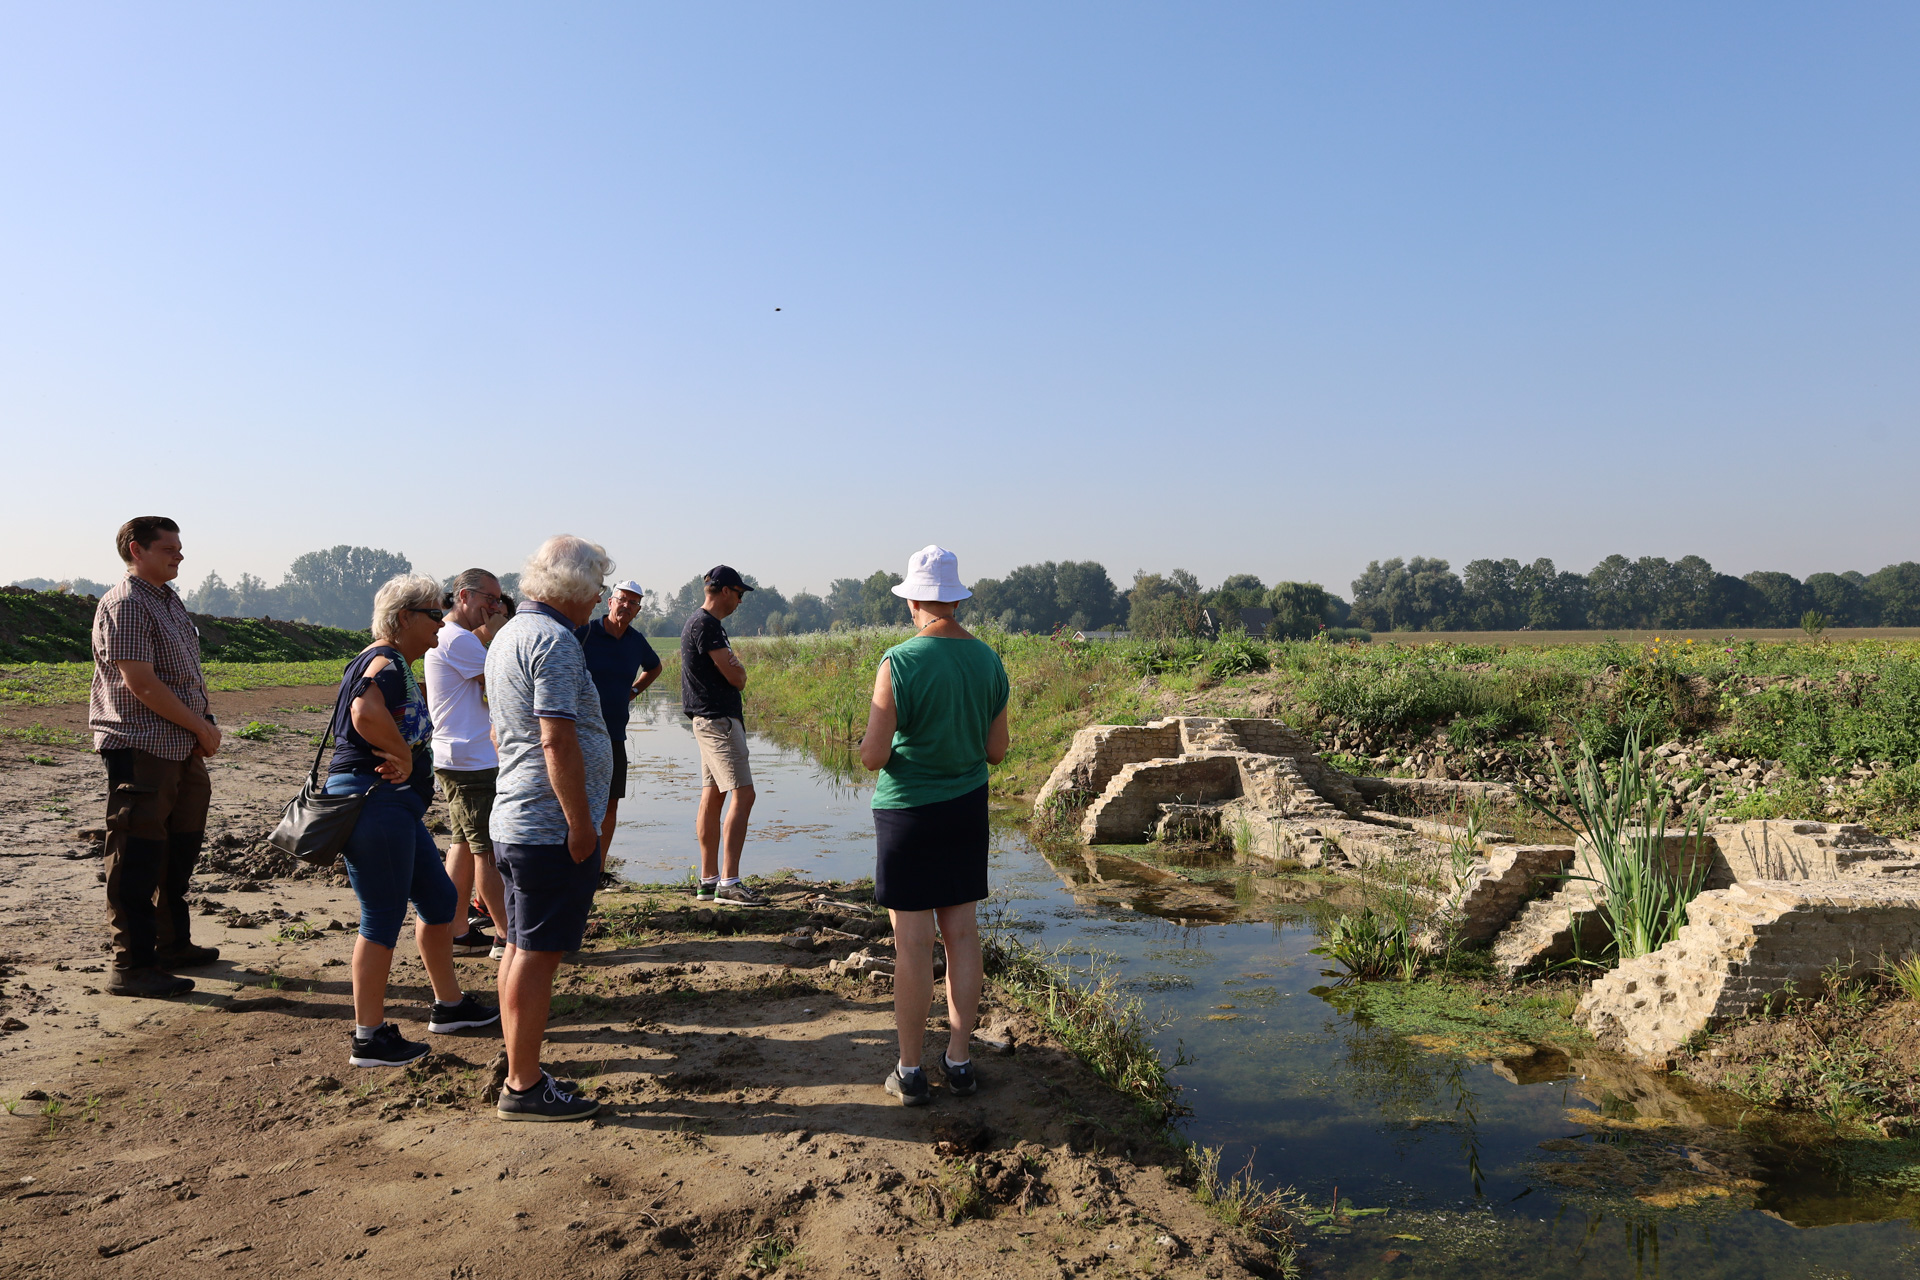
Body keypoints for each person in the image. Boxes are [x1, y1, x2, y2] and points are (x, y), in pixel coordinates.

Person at [324, 575, 499, 1067]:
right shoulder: (387, 662)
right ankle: (369, 1037)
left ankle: (450, 1007)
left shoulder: (387, 658)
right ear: (404, 619)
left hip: (391, 807)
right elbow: (363, 710)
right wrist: (401, 752)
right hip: (375, 805)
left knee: (441, 898)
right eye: (433, 612)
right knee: (380, 917)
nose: (441, 620)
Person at [858, 546, 1009, 1106]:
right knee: (963, 936)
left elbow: (874, 756)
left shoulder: (898, 662)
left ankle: (910, 1071)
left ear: (916, 600)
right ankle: (961, 1061)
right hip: (966, 809)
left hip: (908, 814)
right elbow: (996, 752)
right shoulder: (990, 661)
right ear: (957, 599)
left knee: (912, 945)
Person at [486, 535, 615, 1122]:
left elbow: (500, 732)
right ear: (577, 588)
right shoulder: (554, 642)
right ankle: (524, 1085)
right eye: (596, 590)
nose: (598, 602)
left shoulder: (508, 634)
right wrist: (581, 825)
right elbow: (555, 737)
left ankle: (518, 1066)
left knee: (518, 946)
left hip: (515, 816)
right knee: (538, 955)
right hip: (546, 827)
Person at [89, 517, 221, 998]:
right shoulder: (125, 604)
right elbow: (140, 683)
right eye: (169, 548)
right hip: (142, 746)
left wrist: (199, 727)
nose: (179, 555)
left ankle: (171, 944)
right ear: (135, 549)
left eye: (180, 548)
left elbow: (182, 676)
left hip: (180, 747)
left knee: (178, 848)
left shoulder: (166, 600)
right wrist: (201, 726)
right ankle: (133, 965)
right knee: (137, 855)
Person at [425, 568, 509, 957]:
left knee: (463, 844)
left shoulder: (453, 637)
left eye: (497, 600)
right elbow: (502, 684)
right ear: (463, 595)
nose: (493, 607)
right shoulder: (459, 640)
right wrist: (496, 634)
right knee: (487, 850)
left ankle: (458, 929)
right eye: (488, 599)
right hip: (471, 760)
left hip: (457, 755)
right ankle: (508, 936)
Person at [680, 565, 764, 906]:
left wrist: (735, 668)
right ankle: (729, 882)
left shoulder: (701, 625)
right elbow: (736, 676)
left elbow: (732, 671)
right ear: (726, 591)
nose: (741, 601)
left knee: (712, 796)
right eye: (740, 594)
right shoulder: (708, 626)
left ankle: (708, 880)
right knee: (744, 795)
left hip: (707, 721)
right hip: (718, 722)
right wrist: (738, 668)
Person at [576, 579, 663, 866]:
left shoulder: (636, 641)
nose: (627, 605)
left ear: (638, 610)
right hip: (580, 734)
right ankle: (572, 864)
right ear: (609, 601)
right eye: (622, 599)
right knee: (576, 801)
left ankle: (598, 869)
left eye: (634, 602)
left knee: (610, 802)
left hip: (615, 735)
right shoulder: (585, 634)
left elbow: (655, 667)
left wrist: (634, 690)